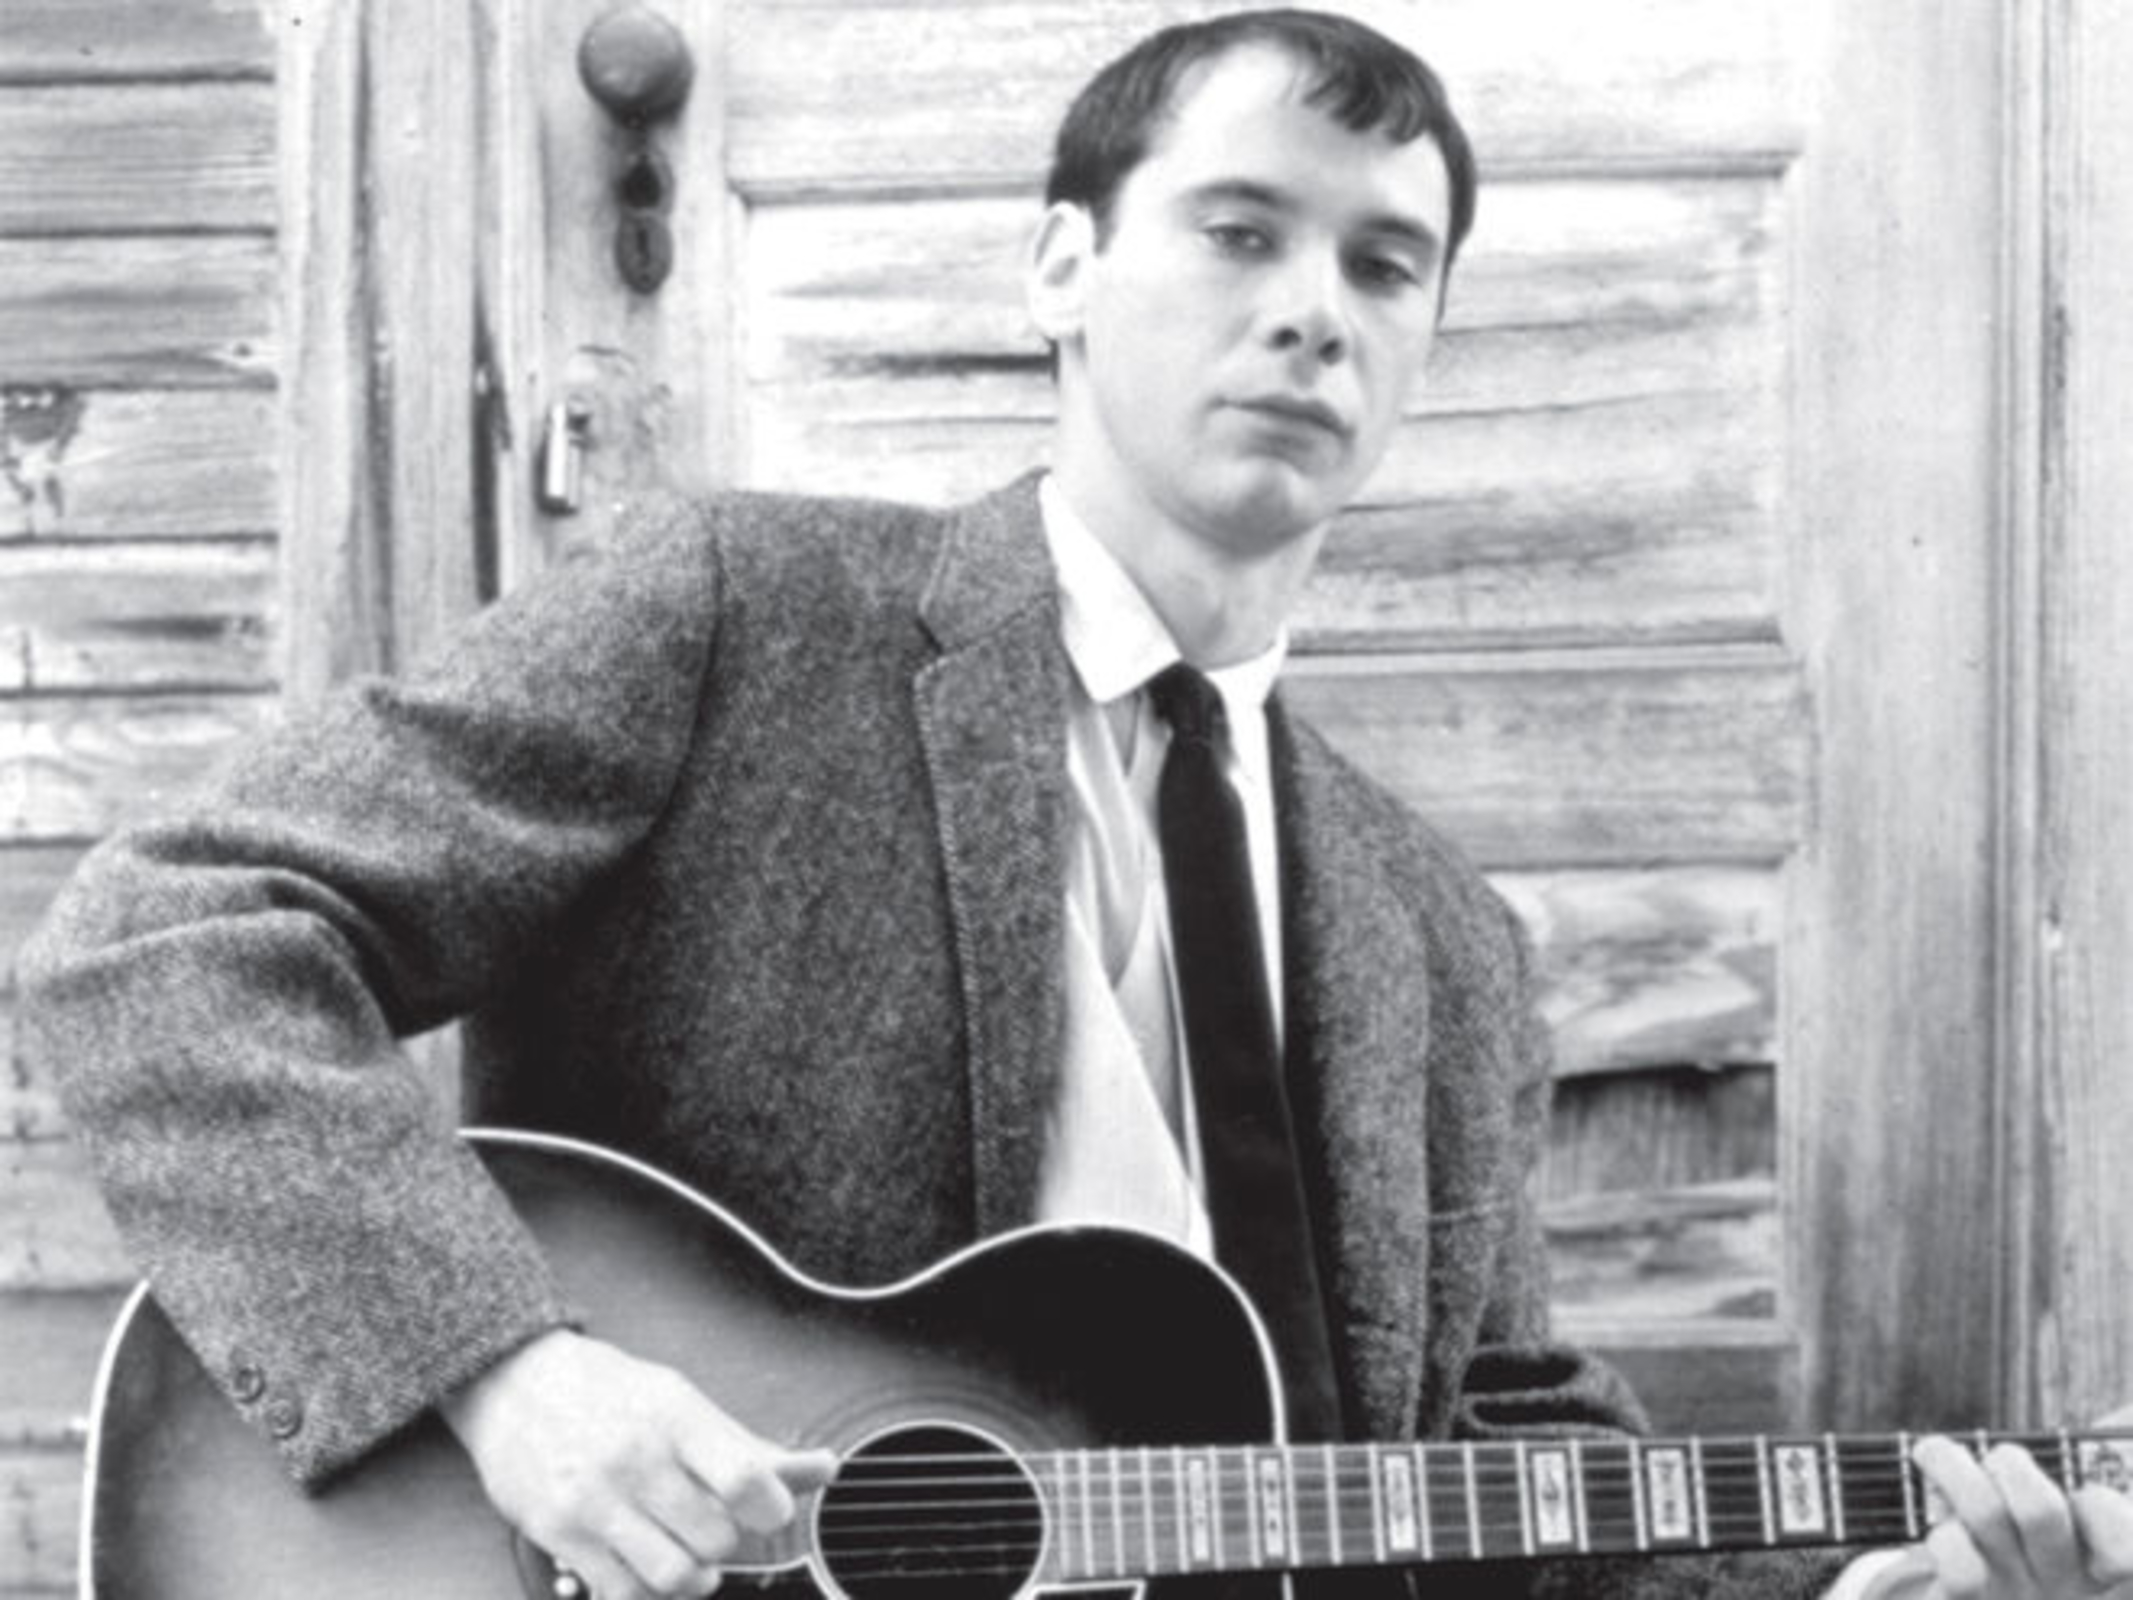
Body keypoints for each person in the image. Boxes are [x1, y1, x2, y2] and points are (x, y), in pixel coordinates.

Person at [19, 10, 2132, 1600]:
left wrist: (1857, 1580)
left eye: (1383, 266)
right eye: (1240, 229)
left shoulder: (1443, 936)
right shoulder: (742, 614)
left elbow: (1495, 1466)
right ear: (1057, 267)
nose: (1310, 309)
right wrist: (503, 1369)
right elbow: (171, 938)